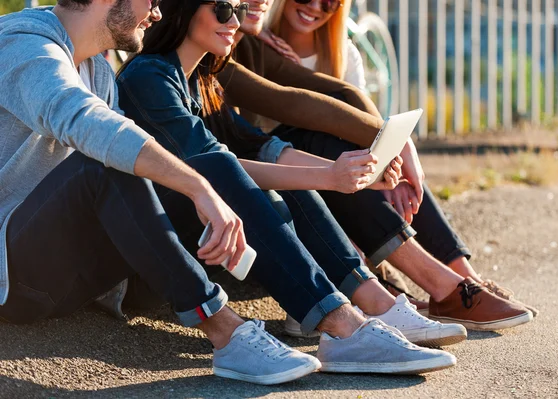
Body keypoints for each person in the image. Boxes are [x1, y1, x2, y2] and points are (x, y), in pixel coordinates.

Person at [0, 0, 457, 385]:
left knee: (215, 164)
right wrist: (200, 188)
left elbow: (278, 117)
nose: (157, 12)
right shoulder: (24, 45)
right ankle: (228, 334)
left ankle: (342, 319)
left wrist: (210, 182)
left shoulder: (98, 70)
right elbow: (84, 122)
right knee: (112, 164)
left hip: (93, 271)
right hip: (18, 279)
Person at [116, 0, 468, 349]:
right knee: (254, 179)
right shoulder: (149, 77)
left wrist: (361, 175)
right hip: (154, 263)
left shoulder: (201, 81)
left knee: (285, 176)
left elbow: (258, 146)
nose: (235, 22)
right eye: (224, 10)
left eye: (238, 12)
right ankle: (341, 320)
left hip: (207, 242)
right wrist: (330, 176)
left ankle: (374, 302)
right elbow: (216, 168)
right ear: (185, 9)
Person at [215, 0, 538, 331]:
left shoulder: (255, 43)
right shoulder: (218, 51)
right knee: (323, 142)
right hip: (239, 188)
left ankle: (461, 281)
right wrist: (385, 145)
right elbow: (289, 103)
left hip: (271, 167)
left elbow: (337, 93)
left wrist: (396, 146)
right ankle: (432, 289)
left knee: (356, 152)